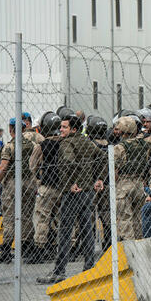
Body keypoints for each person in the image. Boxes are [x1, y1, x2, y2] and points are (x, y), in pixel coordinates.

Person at [37, 114, 106, 284]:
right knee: (87, 230)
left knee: (65, 231)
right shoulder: (86, 141)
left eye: (64, 127)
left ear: (73, 129)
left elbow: (67, 162)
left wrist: (70, 184)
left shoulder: (67, 143)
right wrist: (99, 179)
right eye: (61, 127)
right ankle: (89, 266)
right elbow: (103, 157)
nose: (61, 130)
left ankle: (59, 271)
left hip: (73, 193)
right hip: (88, 192)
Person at [0, 117, 38, 264]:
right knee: (27, 215)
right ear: (24, 129)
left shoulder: (10, 146)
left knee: (10, 216)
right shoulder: (33, 145)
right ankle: (27, 249)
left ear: (11, 129)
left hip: (12, 184)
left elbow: (3, 167)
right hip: (29, 183)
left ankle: (6, 251)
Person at [29, 112, 63, 264]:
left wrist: (38, 178)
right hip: (63, 187)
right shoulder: (65, 142)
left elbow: (32, 166)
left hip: (47, 186)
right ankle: (59, 247)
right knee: (60, 218)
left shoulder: (41, 146)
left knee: (42, 217)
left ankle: (40, 249)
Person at [113, 116, 149, 240]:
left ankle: (129, 246)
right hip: (139, 183)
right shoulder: (143, 144)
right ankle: (139, 244)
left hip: (124, 183)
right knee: (138, 217)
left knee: (124, 218)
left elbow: (114, 169)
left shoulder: (119, 147)